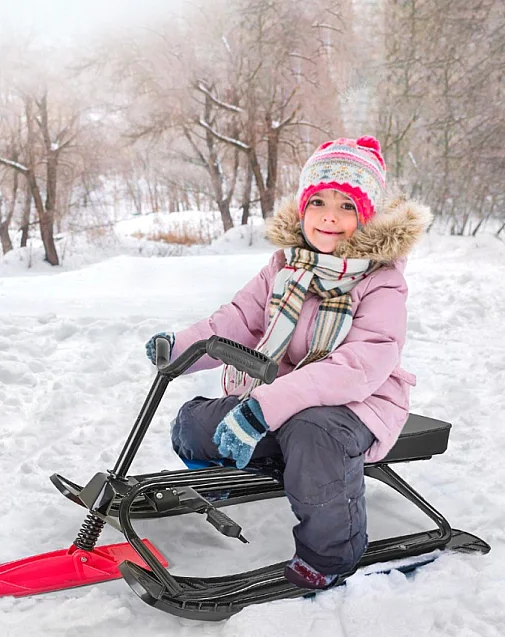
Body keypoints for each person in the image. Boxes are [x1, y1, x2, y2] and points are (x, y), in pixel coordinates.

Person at [145, 136, 432, 590]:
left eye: (347, 206)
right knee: (193, 423)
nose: (330, 216)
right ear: (303, 207)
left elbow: (359, 365)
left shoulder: (381, 282)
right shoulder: (285, 266)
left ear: (368, 216)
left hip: (357, 405)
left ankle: (330, 554)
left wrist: (264, 406)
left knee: (313, 433)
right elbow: (237, 318)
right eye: (318, 201)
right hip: (281, 396)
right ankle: (242, 472)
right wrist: (179, 347)